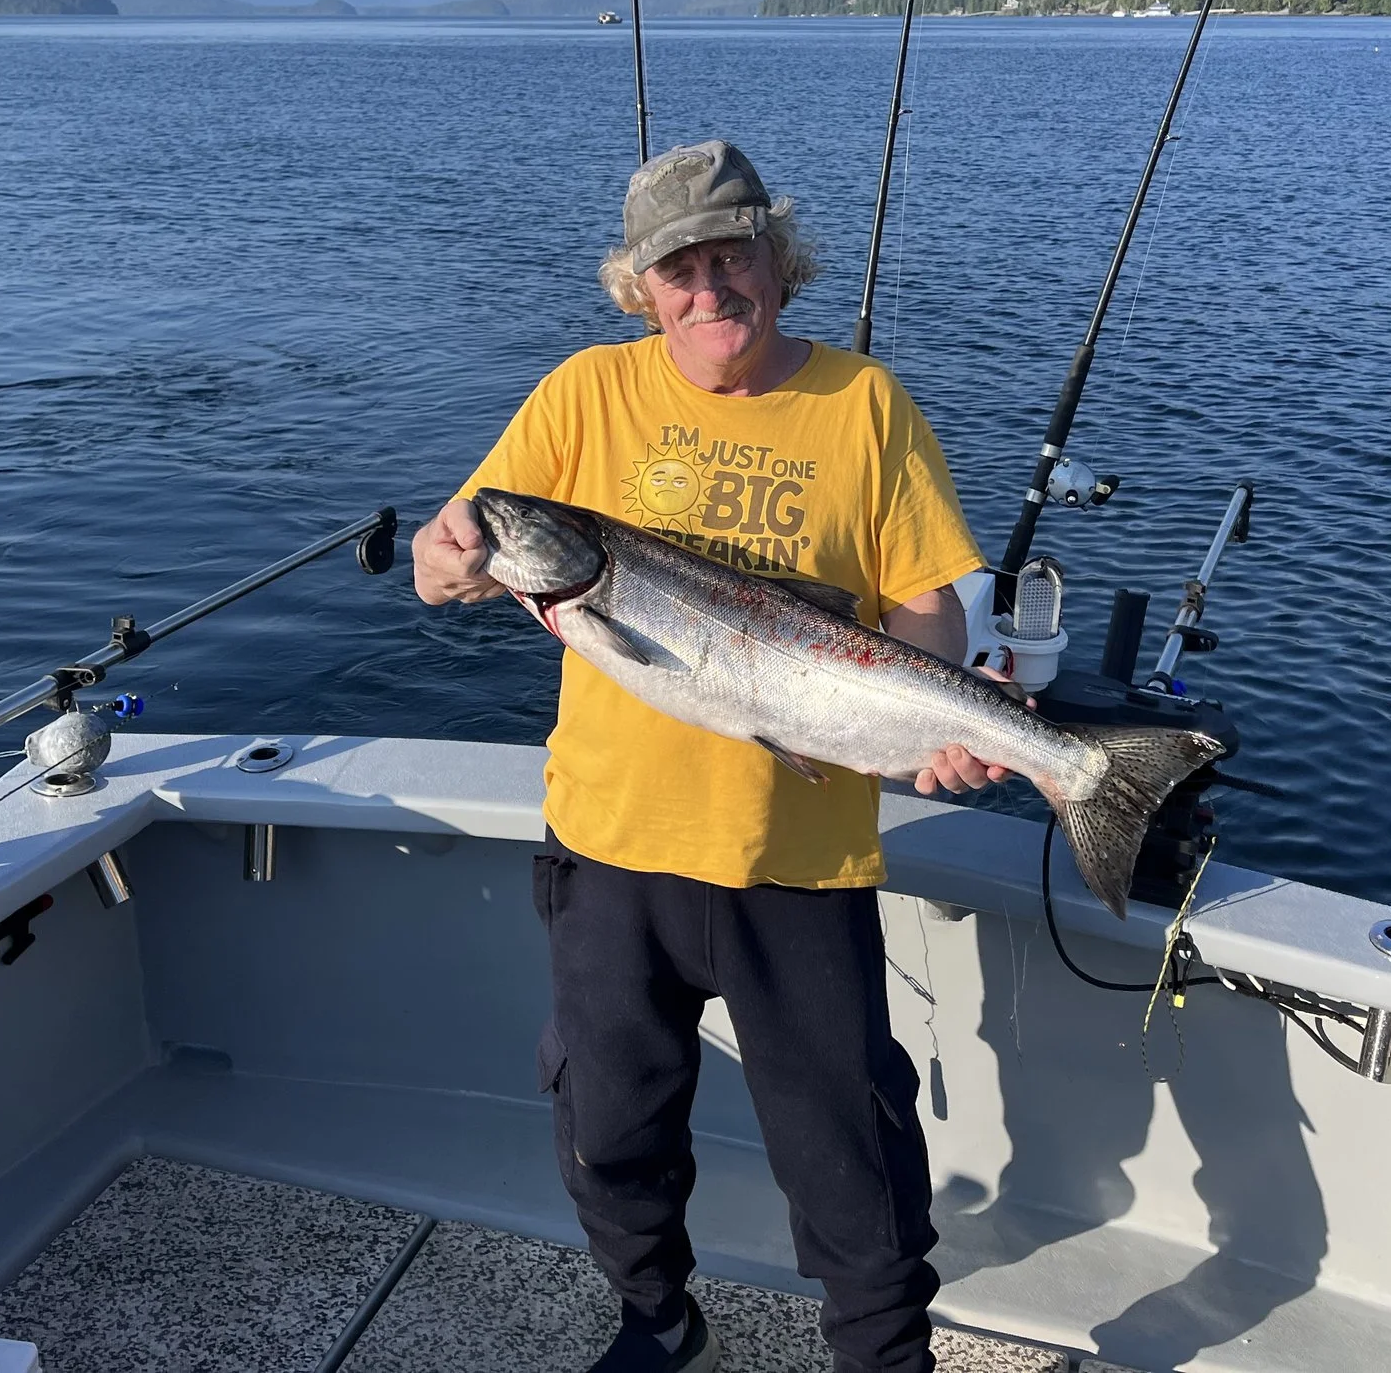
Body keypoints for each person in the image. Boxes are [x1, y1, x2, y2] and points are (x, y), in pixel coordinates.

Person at [412, 140, 1022, 1373]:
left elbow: (924, 611)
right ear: (641, 289)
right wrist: (459, 559)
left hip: (795, 858)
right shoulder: (586, 393)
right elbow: (451, 557)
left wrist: (941, 725)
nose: (707, 289)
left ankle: (884, 1358)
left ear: (777, 263)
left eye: (730, 256)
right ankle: (657, 1318)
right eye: (676, 269)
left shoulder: (865, 404)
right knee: (608, 1126)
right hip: (606, 848)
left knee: (849, 1156)